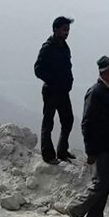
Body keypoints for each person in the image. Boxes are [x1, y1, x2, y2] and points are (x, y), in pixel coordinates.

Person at [66, 57, 109, 217]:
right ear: (106, 72)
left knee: (106, 184)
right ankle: (76, 209)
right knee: (100, 183)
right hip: (101, 147)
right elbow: (87, 123)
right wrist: (90, 150)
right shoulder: (96, 92)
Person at [34, 17, 75, 165]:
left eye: (68, 30)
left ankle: (62, 150)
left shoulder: (64, 46)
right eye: (64, 29)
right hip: (51, 91)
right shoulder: (48, 47)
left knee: (68, 120)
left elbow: (67, 67)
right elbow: (38, 69)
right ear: (55, 29)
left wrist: (69, 81)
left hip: (63, 91)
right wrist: (53, 80)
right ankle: (48, 154)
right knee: (48, 122)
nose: (66, 33)